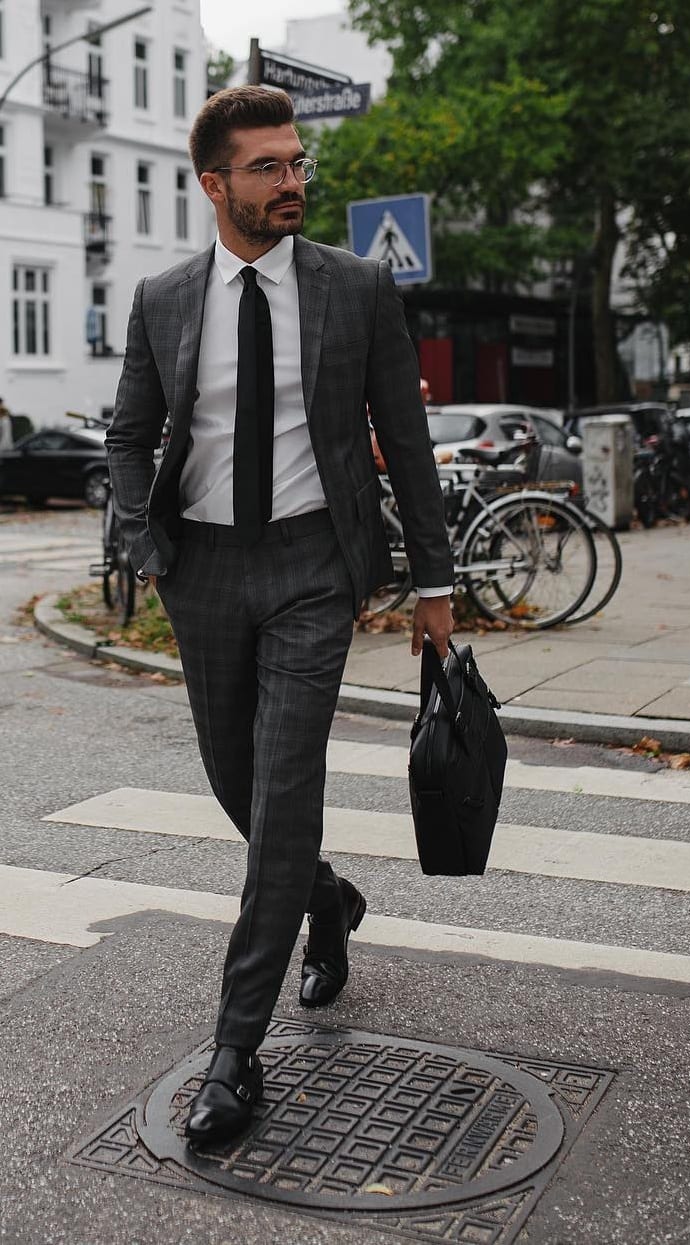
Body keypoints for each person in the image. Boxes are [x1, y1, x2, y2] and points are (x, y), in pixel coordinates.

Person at [106, 85, 453, 1146]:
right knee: (235, 783)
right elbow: (129, 437)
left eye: (298, 162)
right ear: (215, 184)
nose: (293, 181)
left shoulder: (355, 289)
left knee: (286, 781)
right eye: (268, 167)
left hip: (314, 566)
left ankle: (232, 1052)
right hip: (202, 571)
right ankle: (327, 897)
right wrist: (144, 541)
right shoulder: (166, 298)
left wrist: (435, 586)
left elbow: (407, 435)